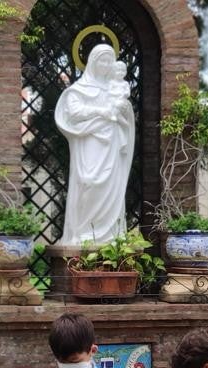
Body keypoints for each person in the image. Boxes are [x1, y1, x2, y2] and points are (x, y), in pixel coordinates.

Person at [55, 43, 135, 246]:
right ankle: (82, 232)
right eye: (103, 60)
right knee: (89, 182)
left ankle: (110, 236)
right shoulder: (79, 89)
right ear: (92, 62)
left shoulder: (115, 87)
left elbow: (125, 113)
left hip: (112, 143)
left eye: (110, 60)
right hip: (89, 142)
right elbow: (73, 113)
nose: (107, 65)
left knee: (112, 186)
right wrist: (101, 111)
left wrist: (123, 109)